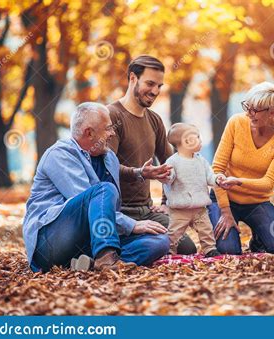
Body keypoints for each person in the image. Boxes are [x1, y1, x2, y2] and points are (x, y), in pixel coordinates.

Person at [23, 102, 170, 272]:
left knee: (159, 241)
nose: (112, 133)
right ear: (89, 132)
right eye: (108, 128)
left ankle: (90, 264)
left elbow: (104, 213)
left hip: (88, 242)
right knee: (104, 189)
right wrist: (132, 225)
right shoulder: (59, 154)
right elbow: (89, 203)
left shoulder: (110, 159)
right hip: (49, 241)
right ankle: (106, 258)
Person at [107, 55, 196, 255]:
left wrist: (166, 203)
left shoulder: (154, 120)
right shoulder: (112, 115)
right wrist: (140, 172)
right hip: (119, 213)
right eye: (150, 83)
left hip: (147, 211)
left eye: (159, 86)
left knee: (186, 248)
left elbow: (171, 165)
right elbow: (106, 168)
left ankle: (136, 245)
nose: (155, 91)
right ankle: (109, 250)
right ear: (132, 78)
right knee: (159, 245)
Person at [207, 82, 274, 255]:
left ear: (273, 112)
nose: (248, 113)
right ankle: (217, 216)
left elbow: (269, 183)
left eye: (255, 110)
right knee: (230, 251)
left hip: (257, 202)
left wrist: (238, 182)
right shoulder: (236, 122)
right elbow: (217, 168)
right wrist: (225, 211)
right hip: (224, 198)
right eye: (247, 107)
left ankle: (258, 239)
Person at [163, 123, 223, 257]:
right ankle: (169, 251)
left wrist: (218, 179)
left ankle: (209, 249)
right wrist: (165, 175)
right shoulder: (172, 161)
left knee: (206, 230)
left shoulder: (201, 160)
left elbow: (210, 177)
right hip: (180, 209)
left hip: (200, 207)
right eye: (197, 137)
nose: (201, 140)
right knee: (174, 232)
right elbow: (169, 179)